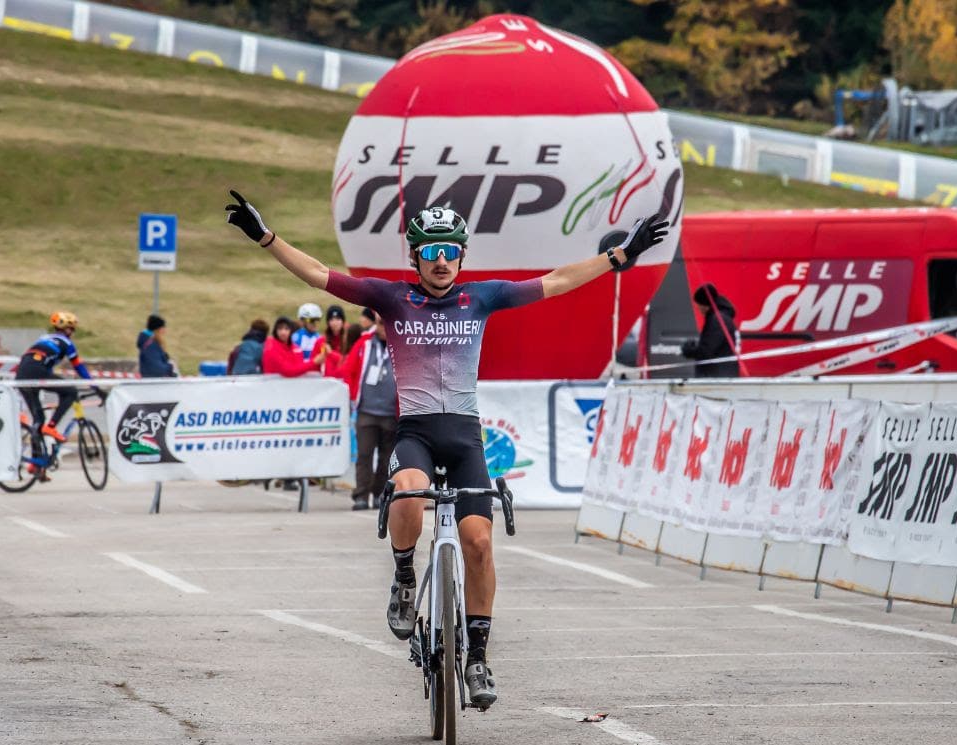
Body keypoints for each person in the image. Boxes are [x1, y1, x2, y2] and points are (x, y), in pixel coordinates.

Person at [226, 190, 667, 709]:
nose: (441, 260)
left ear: (462, 256)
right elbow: (319, 275)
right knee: (409, 490)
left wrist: (620, 255)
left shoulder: (481, 298)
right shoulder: (392, 298)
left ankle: (477, 656)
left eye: (450, 251)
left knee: (479, 543)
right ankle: (404, 577)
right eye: (431, 251)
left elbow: (557, 280)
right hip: (414, 432)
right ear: (415, 257)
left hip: (464, 438)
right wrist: (267, 238)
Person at [16, 311, 101, 476]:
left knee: (38, 420)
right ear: (67, 330)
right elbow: (79, 367)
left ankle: (36, 464)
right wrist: (95, 387)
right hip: (36, 371)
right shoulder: (67, 343)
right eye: (72, 329)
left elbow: (43, 364)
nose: (73, 332)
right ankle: (52, 426)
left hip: (22, 374)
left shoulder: (43, 338)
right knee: (70, 392)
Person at [340, 313, 397, 511]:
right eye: (381, 323)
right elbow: (348, 370)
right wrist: (351, 397)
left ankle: (380, 494)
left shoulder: (401, 343)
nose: (384, 327)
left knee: (387, 458)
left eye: (387, 323)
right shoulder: (364, 343)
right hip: (366, 410)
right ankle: (361, 495)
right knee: (364, 455)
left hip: (391, 412)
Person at [680, 283, 740, 378]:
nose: (697, 308)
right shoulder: (721, 317)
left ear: (704, 304)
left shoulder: (717, 320)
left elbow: (707, 351)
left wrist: (689, 350)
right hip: (721, 373)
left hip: (717, 376)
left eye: (698, 304)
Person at [311, 305, 347, 376]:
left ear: (343, 321)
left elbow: (350, 363)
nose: (334, 323)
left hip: (344, 379)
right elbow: (314, 363)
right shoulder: (321, 341)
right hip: (325, 380)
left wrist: (331, 354)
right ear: (328, 322)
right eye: (331, 319)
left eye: (338, 319)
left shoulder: (348, 340)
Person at [137, 314, 177, 378]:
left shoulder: (153, 343)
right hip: (153, 382)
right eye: (163, 328)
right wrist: (170, 367)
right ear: (158, 329)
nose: (164, 331)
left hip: (153, 380)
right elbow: (156, 369)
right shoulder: (150, 346)